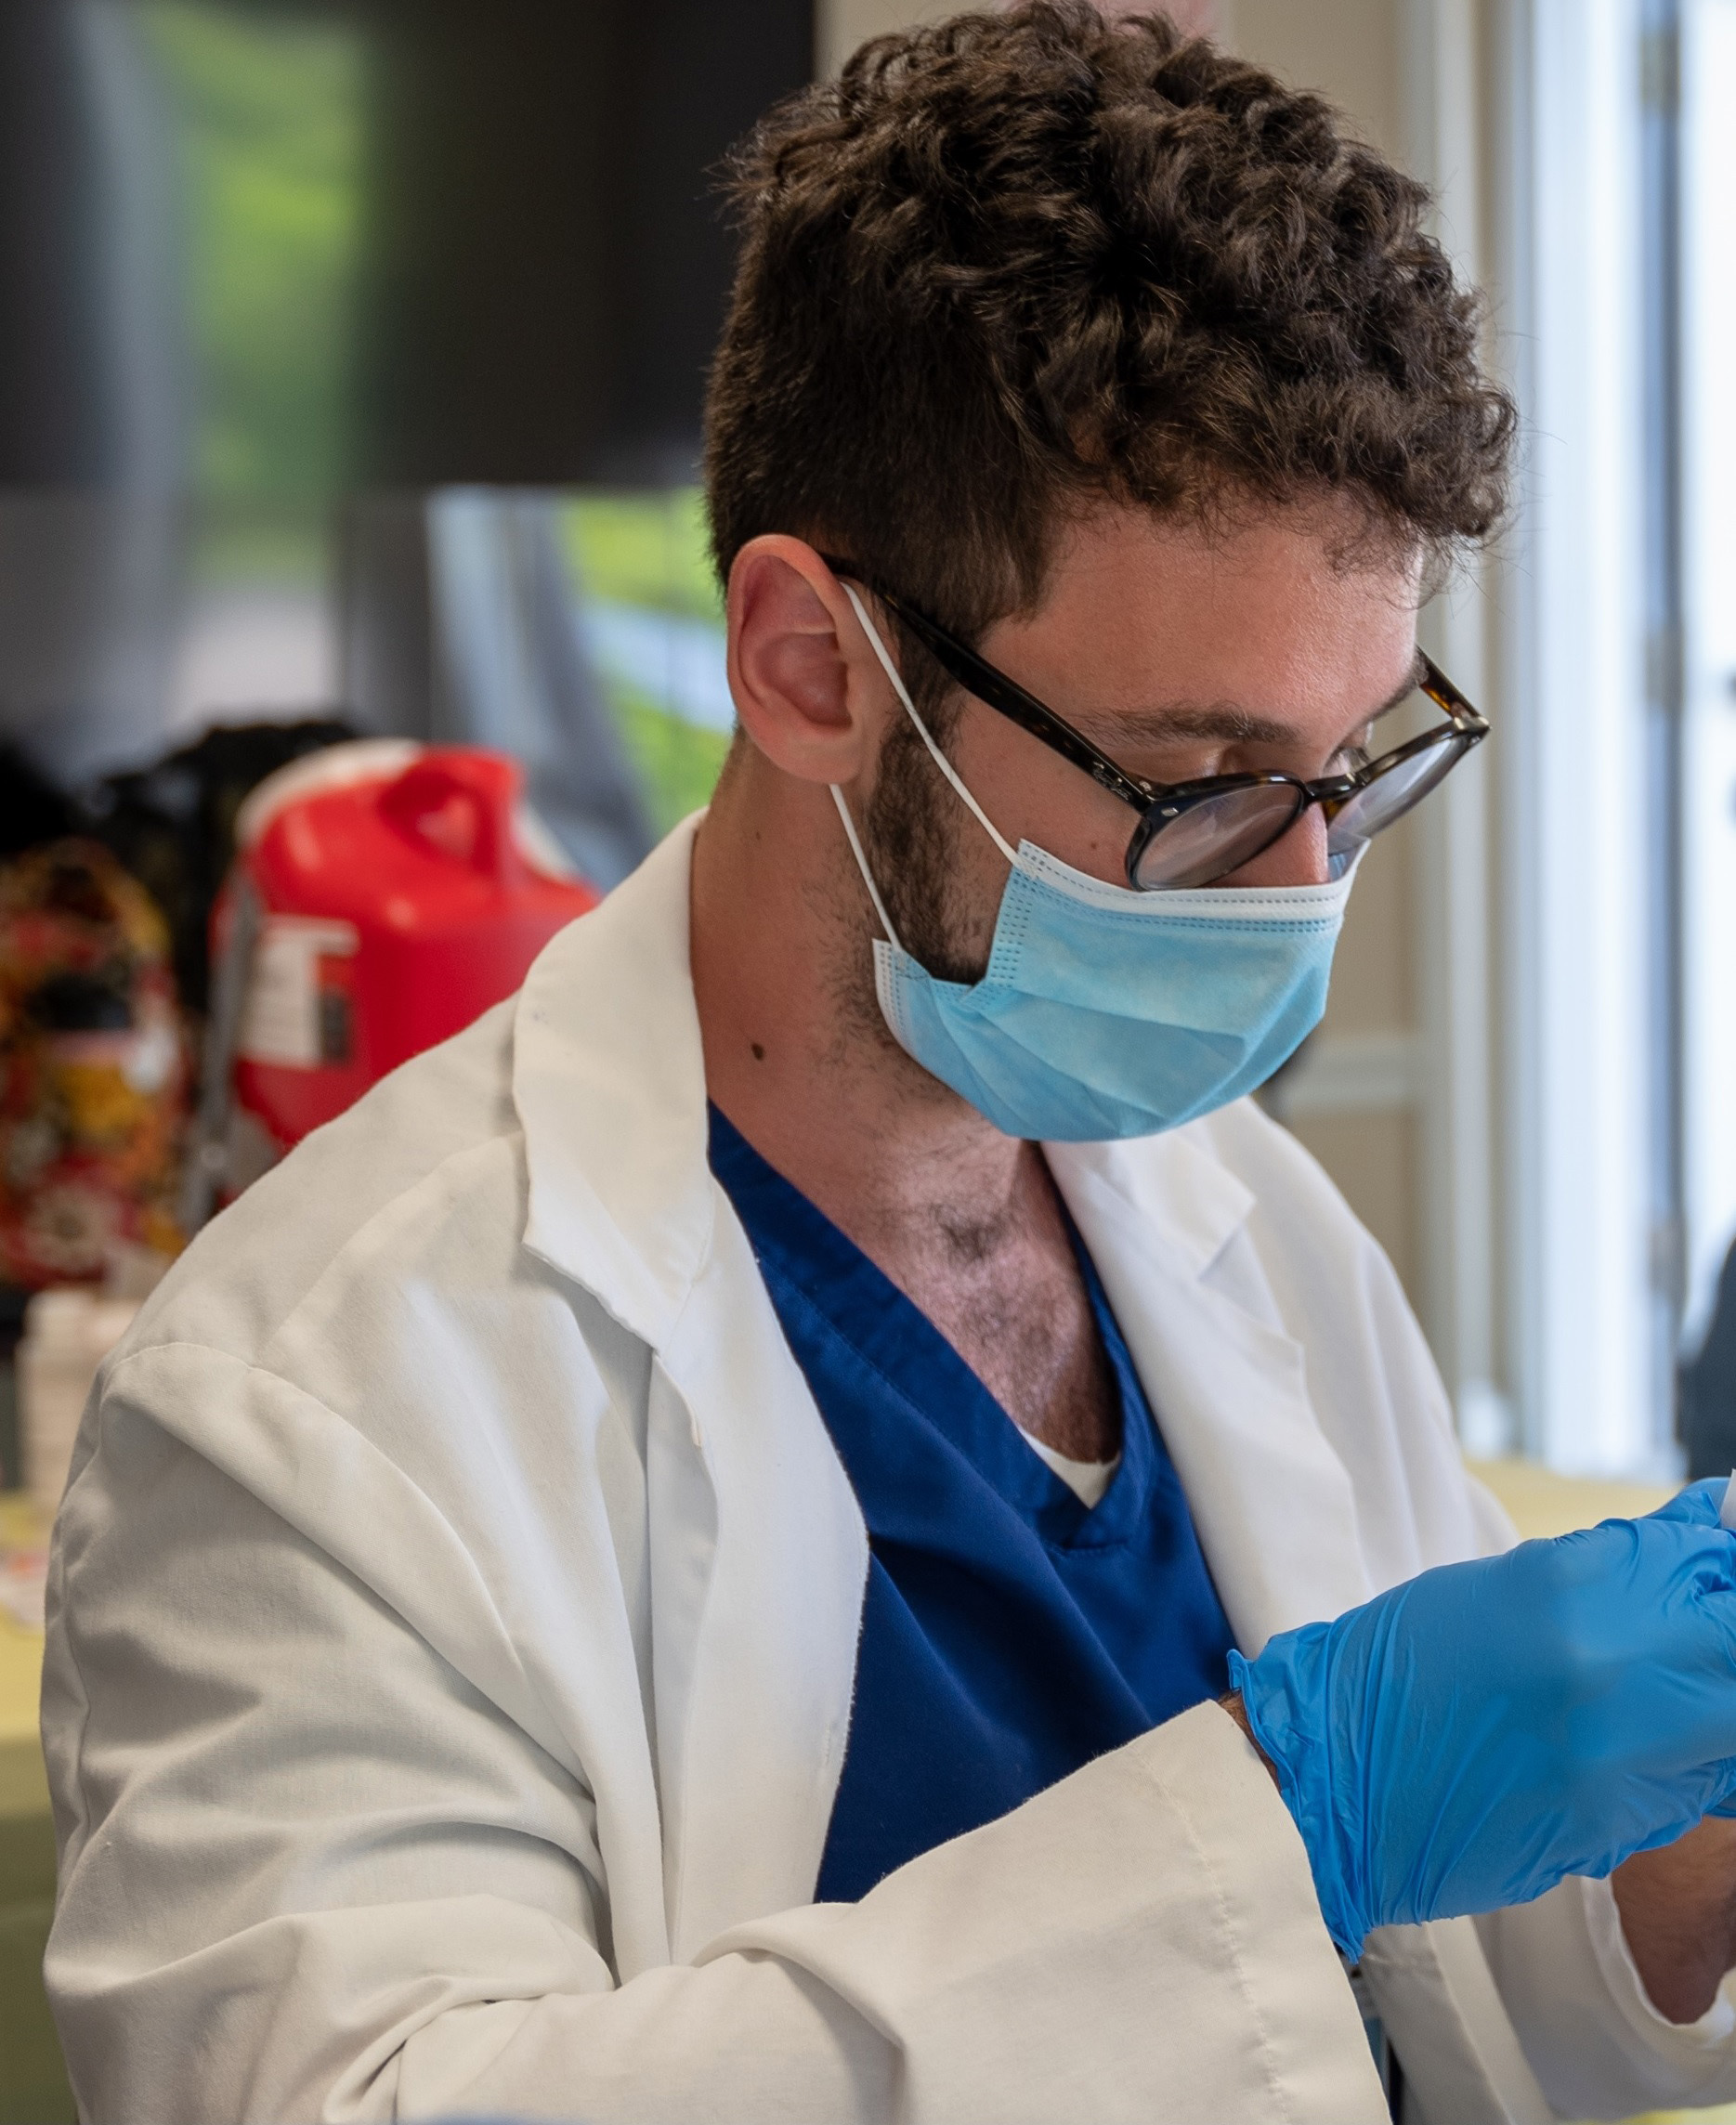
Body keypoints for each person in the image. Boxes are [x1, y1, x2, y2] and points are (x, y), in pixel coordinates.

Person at [38, 8, 1736, 2120]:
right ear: (810, 664)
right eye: (1197, 779)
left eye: (1347, 767)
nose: (1297, 887)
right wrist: (1277, 1824)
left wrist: (1677, 1814)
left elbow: (1429, 1993)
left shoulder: (1226, 1217)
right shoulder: (318, 1405)